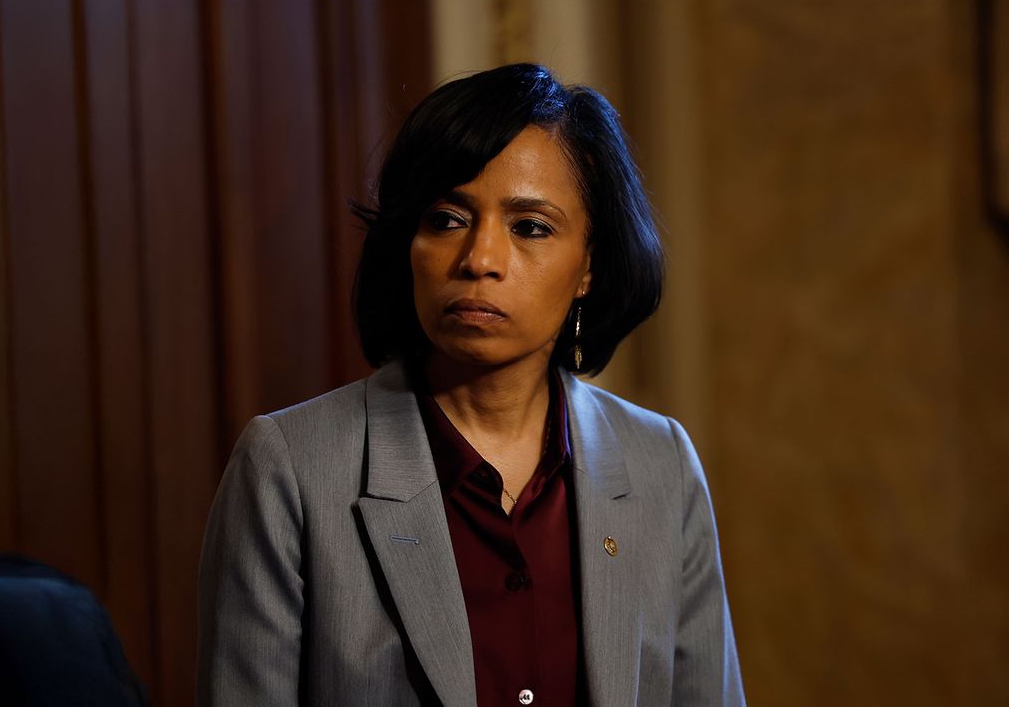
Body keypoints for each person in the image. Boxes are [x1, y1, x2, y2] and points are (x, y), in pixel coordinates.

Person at [196, 63, 744, 706]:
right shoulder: (289, 468)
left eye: (530, 227)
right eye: (447, 219)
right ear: (409, 244)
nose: (479, 259)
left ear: (589, 265)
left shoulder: (662, 466)